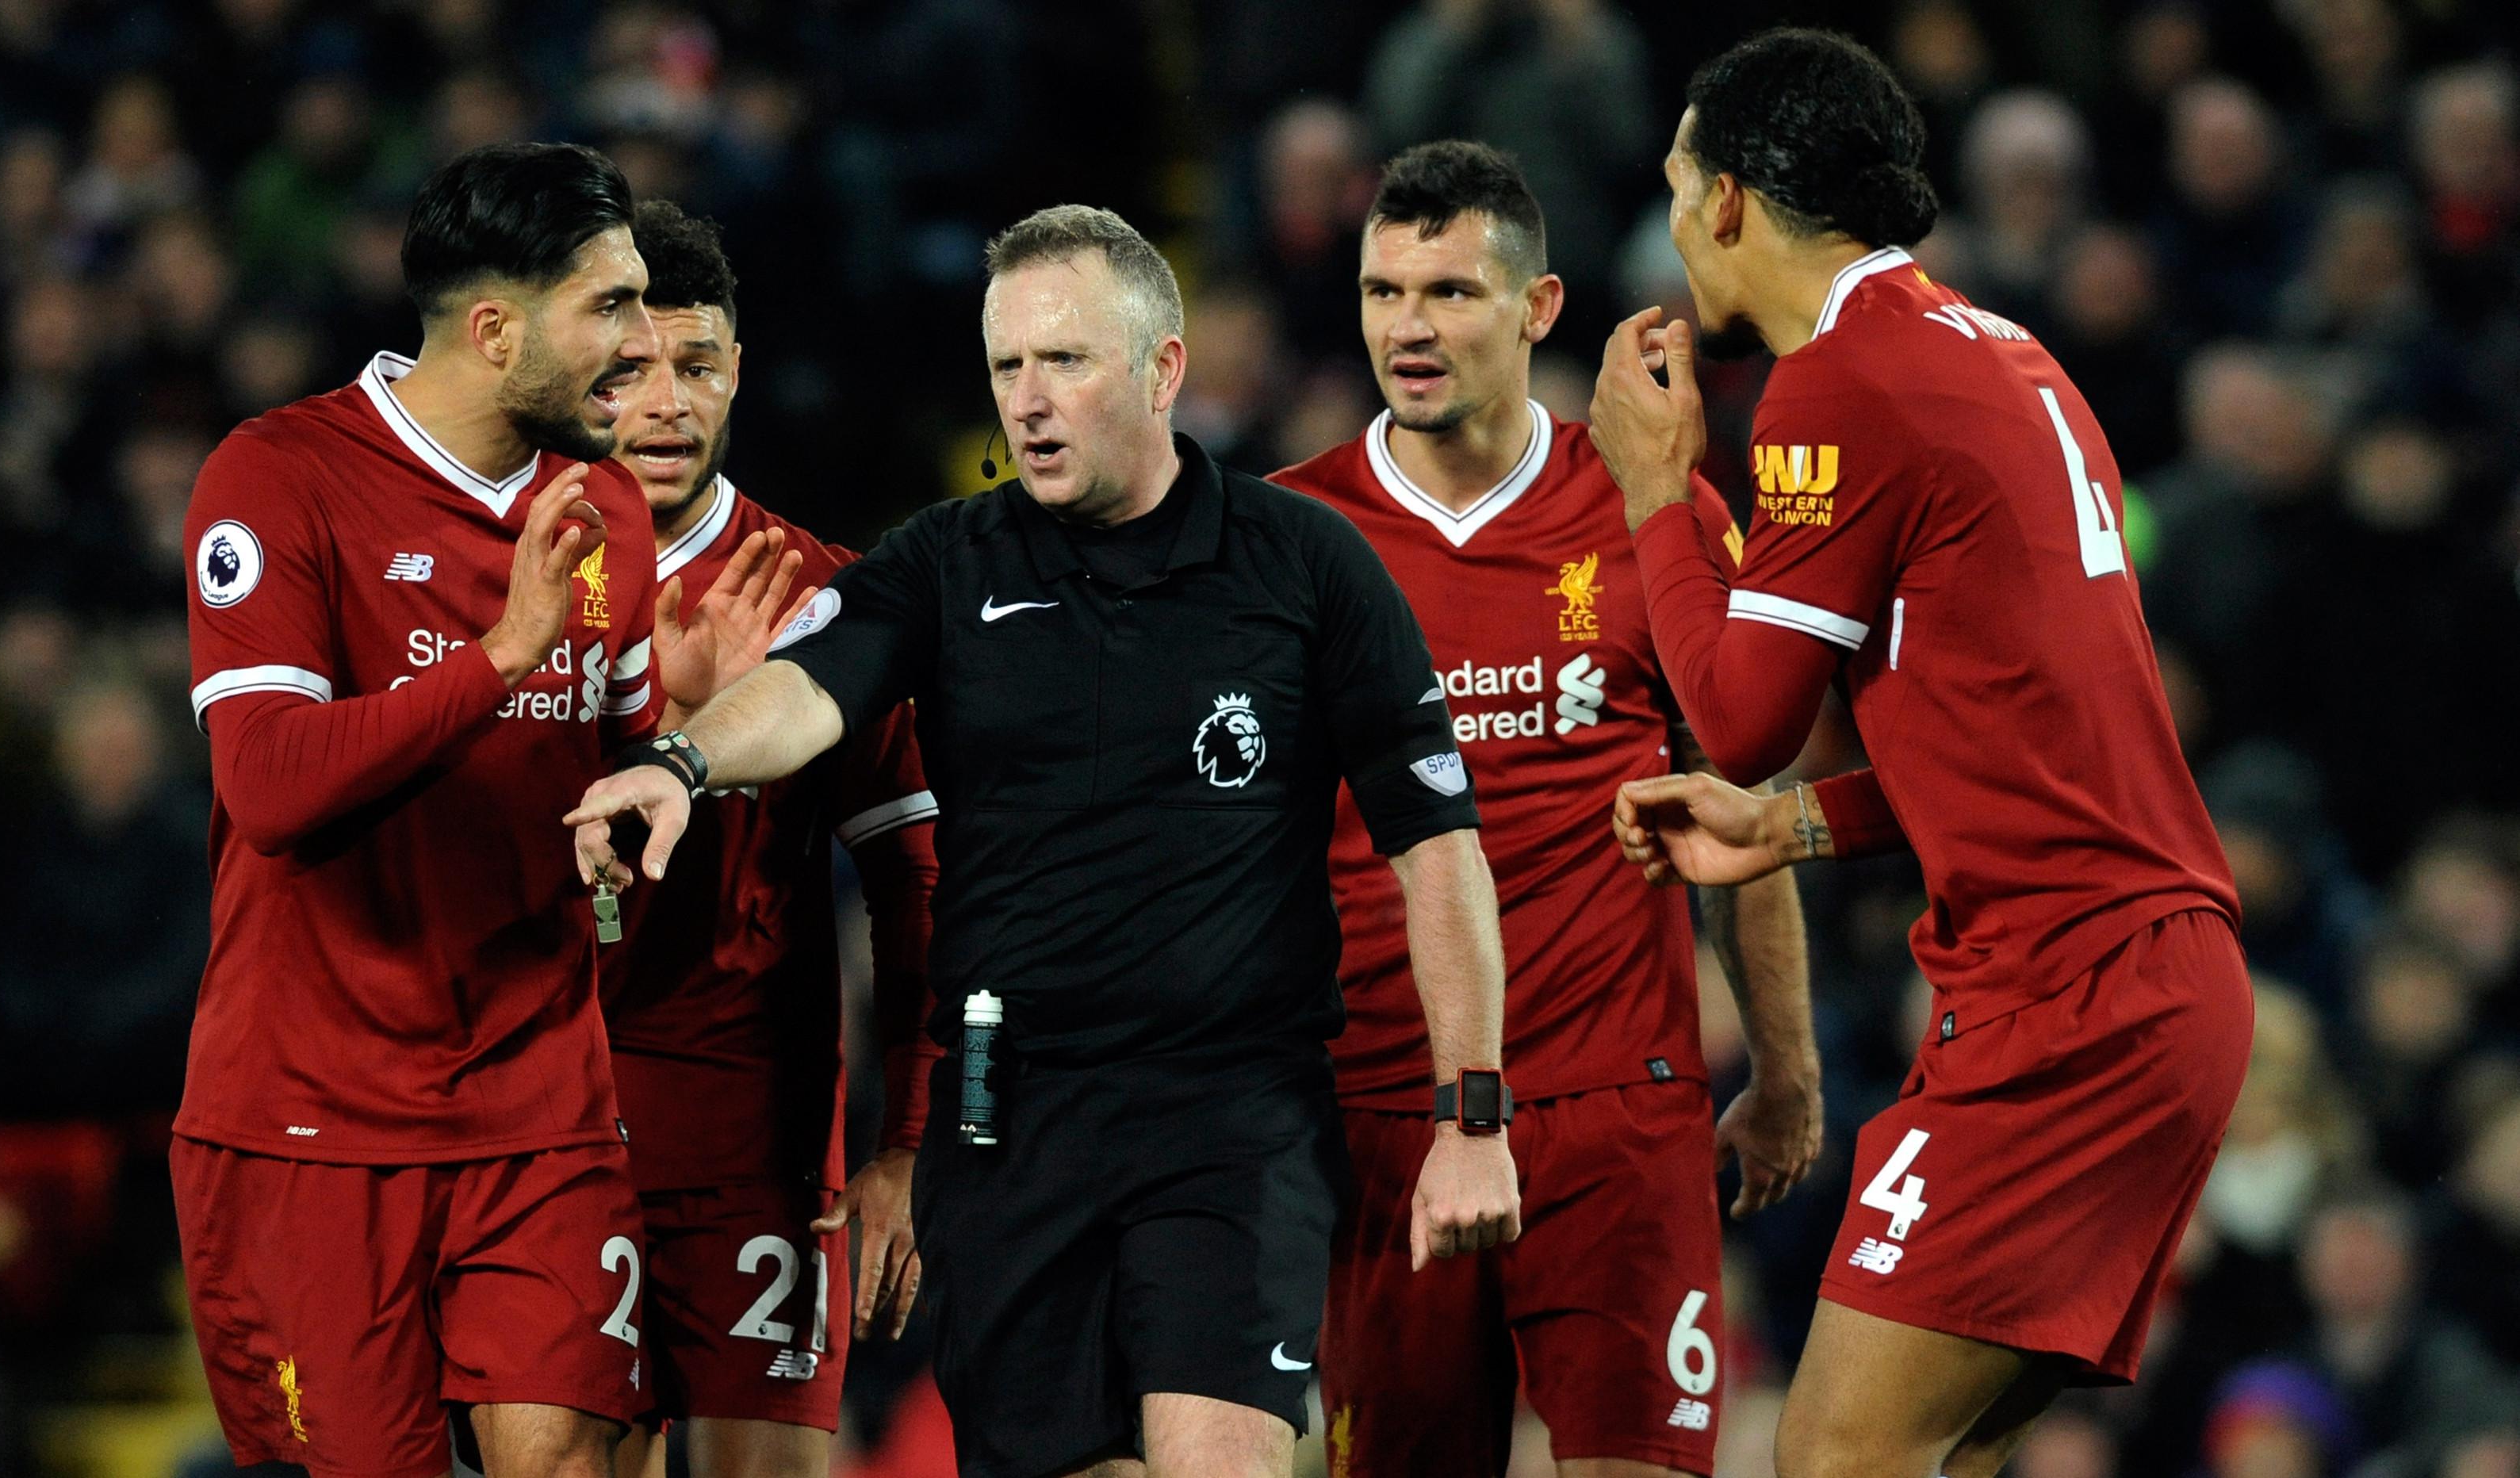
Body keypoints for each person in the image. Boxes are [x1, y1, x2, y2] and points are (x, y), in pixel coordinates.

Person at [567, 204, 1524, 1478]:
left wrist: (1473, 1114)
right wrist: (682, 758)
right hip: (1006, 1118)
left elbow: (1436, 846)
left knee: (1213, 1456)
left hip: (1229, 1113)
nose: (1028, 400)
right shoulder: (943, 563)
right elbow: (807, 686)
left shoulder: (1307, 567)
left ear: (1162, 370)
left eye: (1064, 361)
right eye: (1008, 367)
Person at [1587, 30, 2250, 1478]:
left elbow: (1743, 716)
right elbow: (2023, 740)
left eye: (1678, 183)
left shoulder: (1841, 383)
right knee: (1927, 1459)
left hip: (2073, 999)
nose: (1672, 219)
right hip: (2143, 978)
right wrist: (1792, 832)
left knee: (1832, 1459)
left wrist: (1652, 493)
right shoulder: (2005, 351)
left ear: (1730, 207)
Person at [174, 142, 739, 1478]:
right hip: (312, 1122)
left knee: (571, 1460)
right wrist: (502, 656)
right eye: (607, 311)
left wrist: (678, 742)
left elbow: (603, 815)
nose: (638, 351)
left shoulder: (603, 506)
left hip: (537, 1102)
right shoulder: (276, 478)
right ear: (495, 332)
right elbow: (267, 786)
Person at [1275, 140, 1817, 1478]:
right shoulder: (1285, 541)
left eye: (1452, 292)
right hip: (1386, 1114)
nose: (1410, 326)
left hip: (1617, 1110)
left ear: (1539, 307)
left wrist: (1790, 1073)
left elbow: (1742, 806)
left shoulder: (1653, 509)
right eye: (1384, 291)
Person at [599, 198, 942, 1478]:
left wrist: (908, 1138)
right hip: (562, 1136)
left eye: (698, 365)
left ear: (739, 367)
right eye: (633, 369)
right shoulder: (512, 588)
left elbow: (914, 880)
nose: (669, 402)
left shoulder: (824, 595)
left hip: (763, 1149)